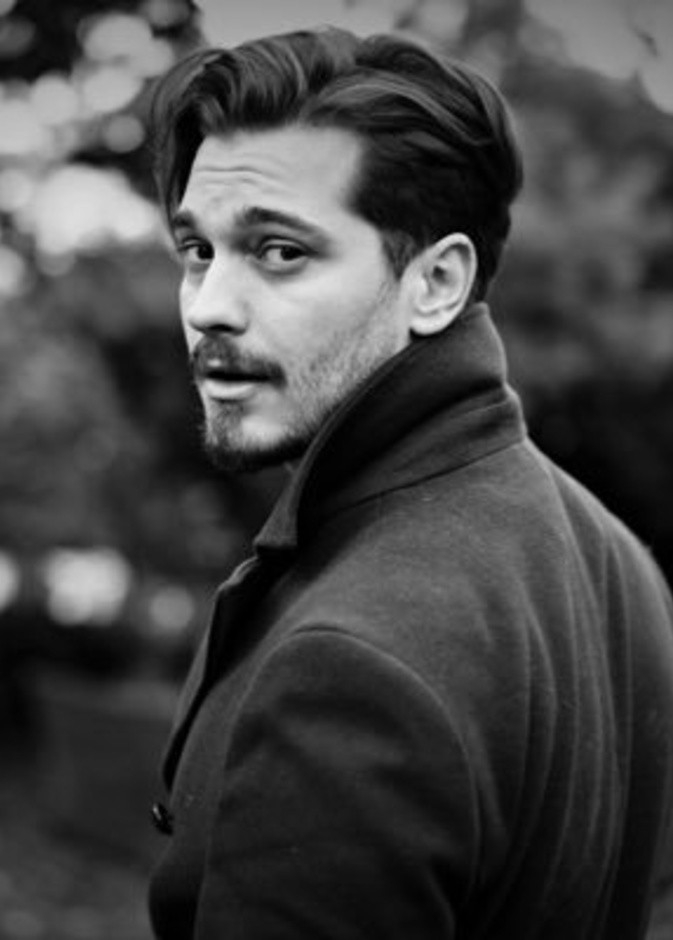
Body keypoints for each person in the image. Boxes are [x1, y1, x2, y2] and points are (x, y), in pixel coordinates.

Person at [146, 27, 673, 940]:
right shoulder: (619, 560)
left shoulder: (344, 664)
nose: (209, 306)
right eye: (198, 249)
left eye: (279, 251)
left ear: (435, 282)